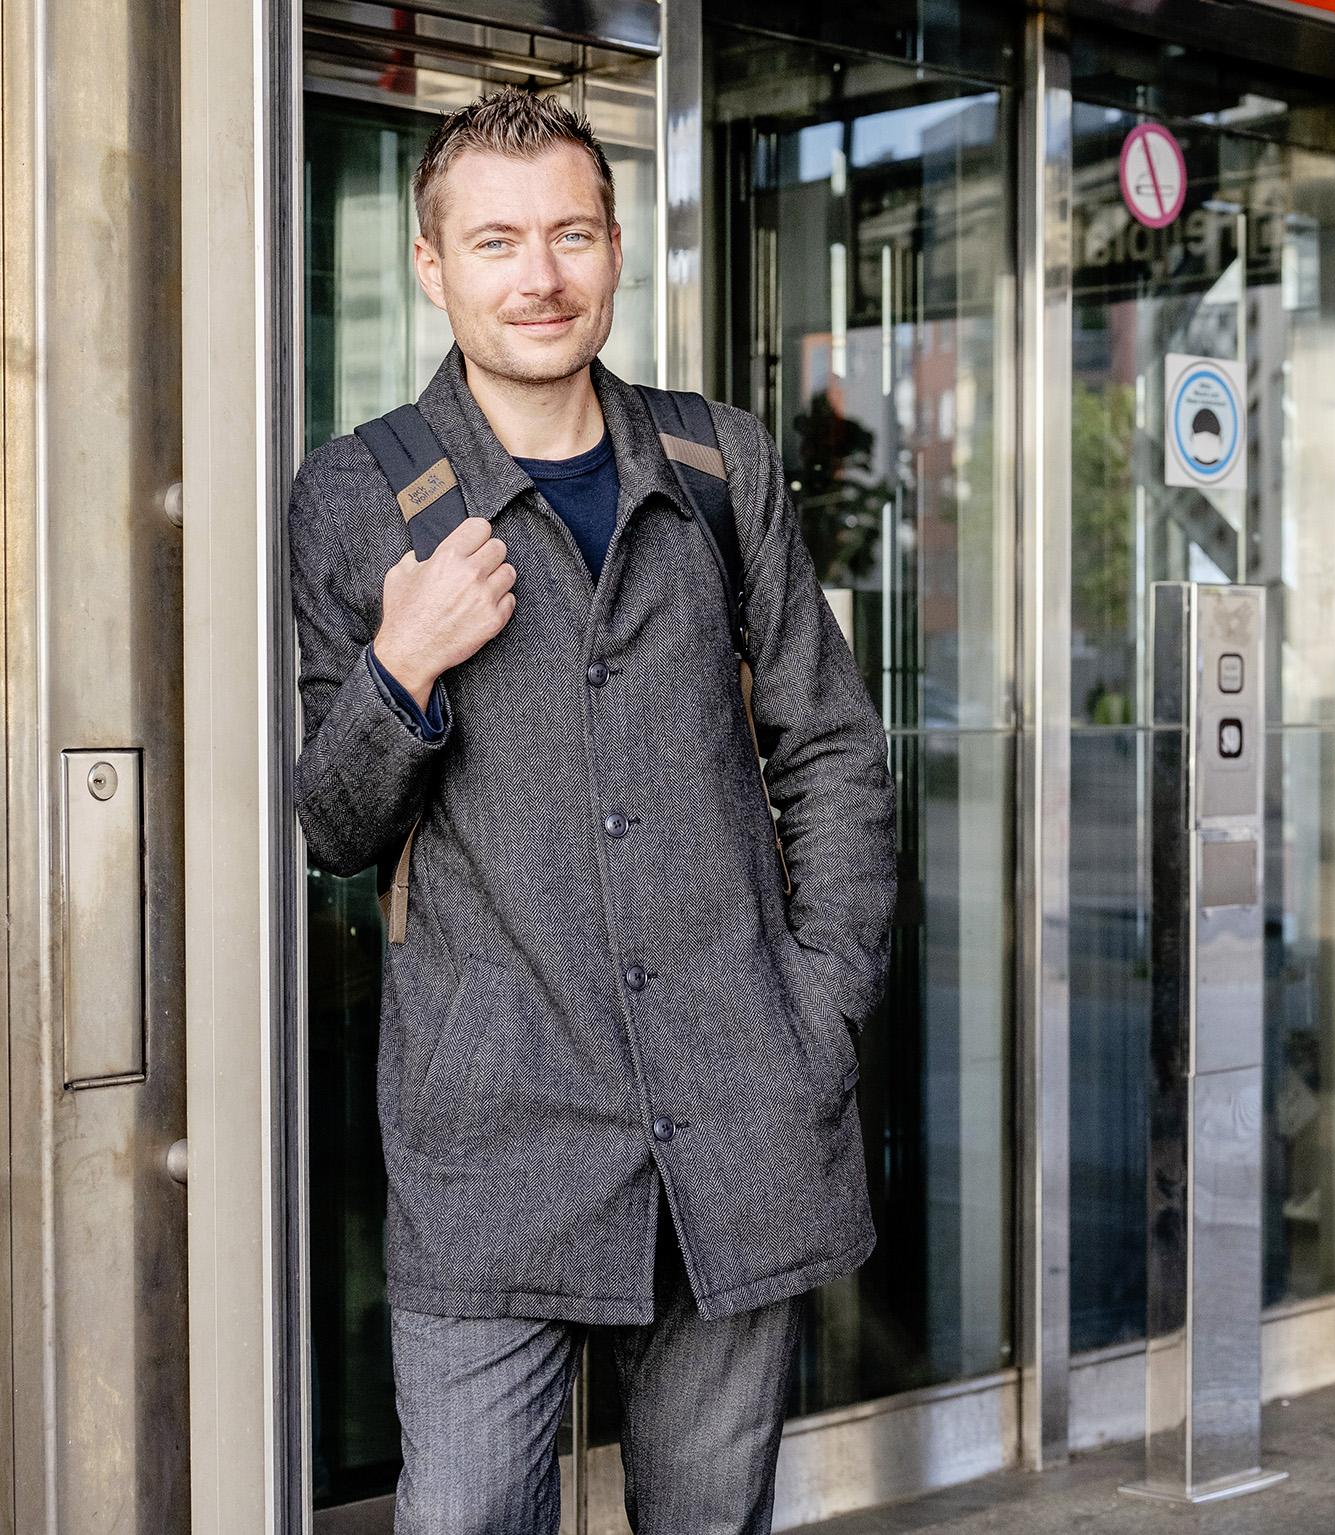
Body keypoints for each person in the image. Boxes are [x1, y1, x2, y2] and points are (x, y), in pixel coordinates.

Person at [290, 92, 894, 1534]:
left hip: (737, 1111)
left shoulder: (716, 462)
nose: (538, 276)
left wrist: (820, 1005)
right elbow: (333, 823)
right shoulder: (359, 493)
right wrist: (400, 666)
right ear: (432, 264)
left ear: (616, 250)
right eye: (495, 240)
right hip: (491, 1137)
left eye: (569, 234)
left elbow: (829, 747)